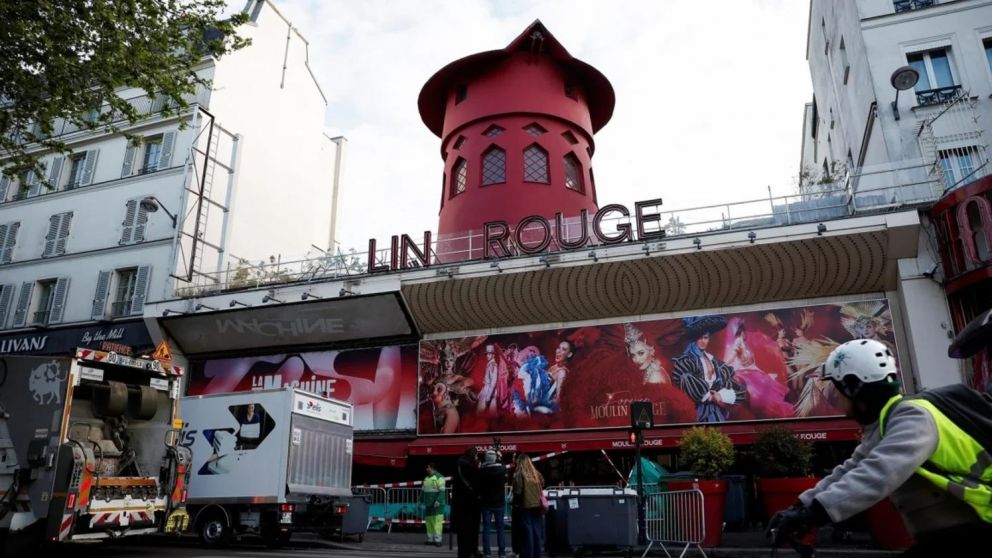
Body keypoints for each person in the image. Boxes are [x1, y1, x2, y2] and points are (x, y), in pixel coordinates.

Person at [766, 338, 992, 556]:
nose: (834, 398)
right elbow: (852, 468)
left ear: (853, 388)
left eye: (836, 389)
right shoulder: (886, 422)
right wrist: (799, 506)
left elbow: (879, 472)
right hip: (950, 536)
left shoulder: (913, 417)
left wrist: (814, 513)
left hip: (977, 528)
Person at [671, 315, 746, 422]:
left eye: (705, 337)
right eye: (700, 338)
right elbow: (685, 380)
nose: (703, 341)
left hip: (717, 411)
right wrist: (709, 396)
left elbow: (736, 388)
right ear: (694, 339)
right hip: (697, 412)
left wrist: (720, 396)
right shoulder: (686, 361)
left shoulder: (716, 362)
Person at [512, 453, 545, 558]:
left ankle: (527, 555)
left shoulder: (519, 474)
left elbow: (517, 492)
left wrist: (515, 505)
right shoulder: (536, 473)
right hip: (537, 506)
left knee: (527, 534)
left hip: (525, 507)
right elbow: (542, 483)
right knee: (536, 533)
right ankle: (537, 555)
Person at [452, 447, 482, 558]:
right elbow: (478, 483)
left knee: (462, 532)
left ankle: (462, 553)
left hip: (460, 503)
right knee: (472, 529)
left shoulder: (458, 465)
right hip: (472, 503)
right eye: (477, 456)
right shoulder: (472, 467)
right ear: (473, 456)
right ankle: (472, 550)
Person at [478, 450, 508, 558]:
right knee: (500, 529)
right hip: (499, 503)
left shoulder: (483, 471)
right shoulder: (502, 470)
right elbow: (504, 467)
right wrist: (500, 458)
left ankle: (487, 552)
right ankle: (502, 552)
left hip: (486, 503)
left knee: (486, 529)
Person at [423, 463, 447, 546]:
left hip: (437, 505)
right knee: (429, 522)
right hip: (429, 504)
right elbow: (423, 491)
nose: (426, 469)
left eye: (428, 467)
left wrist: (438, 501)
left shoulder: (440, 477)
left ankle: (438, 540)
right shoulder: (426, 478)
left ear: (432, 468)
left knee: (437, 523)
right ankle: (430, 539)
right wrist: (420, 500)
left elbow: (442, 491)